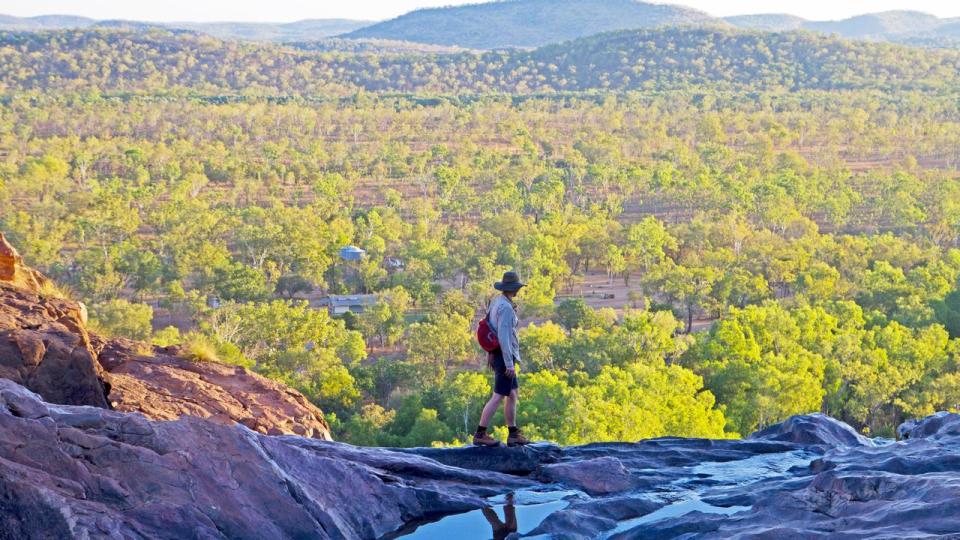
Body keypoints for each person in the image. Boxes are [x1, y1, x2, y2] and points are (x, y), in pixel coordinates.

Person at [473, 270, 530, 447]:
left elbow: (490, 327)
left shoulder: (497, 301)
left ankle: (513, 433)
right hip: (504, 356)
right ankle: (480, 433)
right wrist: (508, 364)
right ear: (515, 289)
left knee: (512, 394)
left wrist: (491, 353)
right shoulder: (505, 308)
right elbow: (504, 337)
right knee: (498, 396)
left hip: (498, 353)